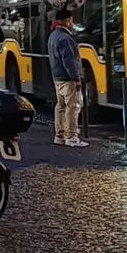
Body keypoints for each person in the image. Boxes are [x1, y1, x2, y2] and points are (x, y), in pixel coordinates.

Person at [48, 8, 87, 148]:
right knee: (73, 106)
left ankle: (59, 136)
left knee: (61, 106)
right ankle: (71, 136)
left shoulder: (53, 36)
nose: (72, 23)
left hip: (57, 77)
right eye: (70, 20)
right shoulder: (65, 38)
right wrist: (76, 78)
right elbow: (69, 60)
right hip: (67, 78)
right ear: (65, 21)